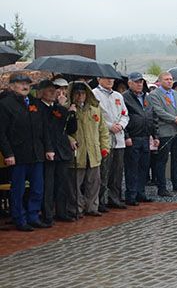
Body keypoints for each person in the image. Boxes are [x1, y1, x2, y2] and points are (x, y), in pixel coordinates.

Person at [0, 73, 47, 231]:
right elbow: (1, 133)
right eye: (20, 83)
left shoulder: (34, 103)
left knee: (37, 188)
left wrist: (47, 149)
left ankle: (33, 216)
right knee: (18, 189)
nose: (25, 86)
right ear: (12, 86)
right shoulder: (5, 104)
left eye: (27, 83)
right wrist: (8, 154)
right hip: (18, 154)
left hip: (36, 153)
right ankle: (19, 219)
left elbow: (43, 128)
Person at [67, 81, 110, 219]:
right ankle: (77, 208)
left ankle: (92, 206)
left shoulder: (95, 109)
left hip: (93, 152)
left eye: (83, 93)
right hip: (77, 152)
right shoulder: (67, 109)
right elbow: (61, 130)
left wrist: (105, 147)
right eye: (77, 93)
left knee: (94, 183)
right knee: (75, 184)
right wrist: (70, 139)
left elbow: (103, 130)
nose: (80, 96)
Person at [37, 79, 77, 223]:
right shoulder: (38, 107)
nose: (54, 93)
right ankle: (48, 214)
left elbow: (70, 129)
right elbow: (48, 127)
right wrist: (59, 108)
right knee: (49, 184)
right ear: (41, 92)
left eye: (55, 90)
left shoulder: (59, 108)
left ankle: (62, 211)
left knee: (62, 183)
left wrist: (71, 113)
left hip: (62, 150)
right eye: (50, 90)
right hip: (48, 150)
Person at [147, 72, 177, 197]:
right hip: (165, 131)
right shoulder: (154, 95)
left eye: (171, 79)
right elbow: (158, 110)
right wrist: (174, 119)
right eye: (166, 79)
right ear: (159, 82)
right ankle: (162, 187)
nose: (169, 81)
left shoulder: (176, 94)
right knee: (162, 160)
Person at [94, 75, 129, 210]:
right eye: (106, 78)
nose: (110, 81)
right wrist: (109, 126)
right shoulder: (94, 94)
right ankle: (100, 200)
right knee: (104, 170)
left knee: (117, 170)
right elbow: (96, 116)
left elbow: (125, 114)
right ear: (99, 79)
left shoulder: (118, 96)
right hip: (104, 138)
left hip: (119, 138)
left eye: (112, 79)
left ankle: (115, 198)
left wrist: (121, 125)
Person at [122, 73, 154, 206]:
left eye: (141, 82)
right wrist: (126, 136)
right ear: (129, 83)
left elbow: (152, 116)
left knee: (143, 167)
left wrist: (155, 135)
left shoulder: (147, 97)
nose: (139, 84)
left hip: (145, 137)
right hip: (133, 137)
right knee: (132, 168)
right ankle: (131, 194)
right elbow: (123, 116)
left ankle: (141, 193)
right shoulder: (125, 97)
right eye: (136, 82)